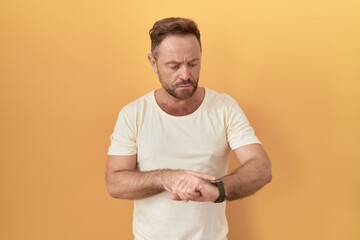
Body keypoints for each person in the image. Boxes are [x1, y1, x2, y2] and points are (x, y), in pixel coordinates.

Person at [106, 17, 272, 240]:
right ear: (153, 62)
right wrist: (166, 178)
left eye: (193, 64)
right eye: (174, 66)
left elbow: (261, 167)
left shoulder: (225, 108)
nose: (185, 75)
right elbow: (115, 183)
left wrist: (217, 190)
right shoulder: (133, 114)